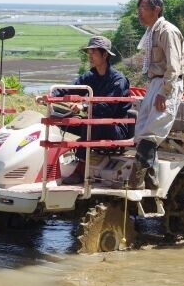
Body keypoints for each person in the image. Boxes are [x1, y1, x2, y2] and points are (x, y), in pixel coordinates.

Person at [35, 36, 130, 185]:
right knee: (61, 119)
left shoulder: (118, 80)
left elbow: (108, 108)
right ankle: (50, 162)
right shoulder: (90, 76)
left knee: (92, 122)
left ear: (105, 55)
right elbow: (71, 88)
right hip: (94, 121)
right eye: (89, 53)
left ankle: (80, 169)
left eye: (94, 53)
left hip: (115, 127)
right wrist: (50, 96)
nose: (90, 56)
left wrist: (84, 106)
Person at [130, 0, 184, 189]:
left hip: (166, 84)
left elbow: (174, 66)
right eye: (139, 9)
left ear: (156, 10)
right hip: (156, 82)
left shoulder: (167, 31)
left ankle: (136, 180)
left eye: (143, 9)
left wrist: (164, 91)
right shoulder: (152, 32)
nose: (140, 13)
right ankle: (151, 179)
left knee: (153, 129)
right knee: (142, 128)